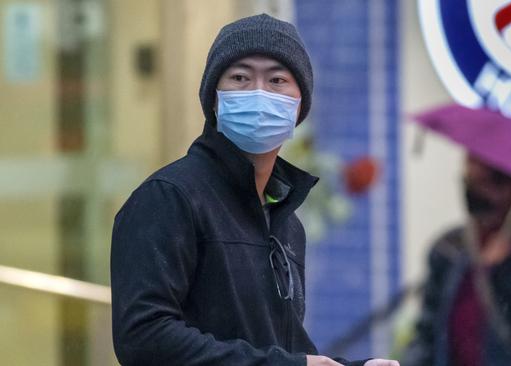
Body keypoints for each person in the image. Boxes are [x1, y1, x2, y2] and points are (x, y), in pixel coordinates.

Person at [110, 13, 399, 366]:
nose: (259, 93)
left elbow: (278, 348)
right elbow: (143, 339)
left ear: (299, 107)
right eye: (240, 78)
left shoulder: (285, 222)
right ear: (214, 100)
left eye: (277, 79)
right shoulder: (169, 198)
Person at [401, 155, 511, 366]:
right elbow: (429, 330)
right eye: (468, 180)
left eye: (483, 183)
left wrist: (509, 268)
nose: (474, 190)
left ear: (509, 187)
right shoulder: (451, 247)